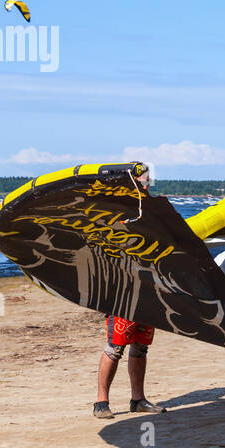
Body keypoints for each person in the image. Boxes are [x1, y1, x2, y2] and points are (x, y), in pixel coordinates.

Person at [93, 168, 165, 420]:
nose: (148, 184)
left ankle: (138, 399)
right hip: (123, 292)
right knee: (115, 346)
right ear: (133, 182)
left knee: (141, 347)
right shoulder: (118, 211)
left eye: (148, 181)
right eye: (144, 180)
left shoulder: (151, 209)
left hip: (148, 288)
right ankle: (101, 401)